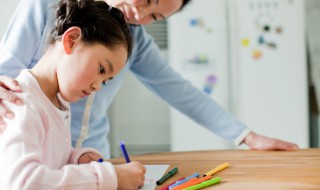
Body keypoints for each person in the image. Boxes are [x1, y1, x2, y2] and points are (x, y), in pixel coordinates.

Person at [0, 0, 298, 159]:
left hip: (90, 158)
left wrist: (246, 135)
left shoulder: (135, 40)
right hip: (36, 151)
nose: (140, 16)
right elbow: (7, 69)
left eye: (155, 17)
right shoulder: (46, 5)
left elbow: (179, 90)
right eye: (149, 0)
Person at [0, 0, 146, 189]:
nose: (98, 88)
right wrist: (109, 178)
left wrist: (76, 158)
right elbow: (23, 183)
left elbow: (48, 158)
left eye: (105, 81)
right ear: (72, 40)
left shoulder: (57, 102)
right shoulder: (23, 104)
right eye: (101, 69)